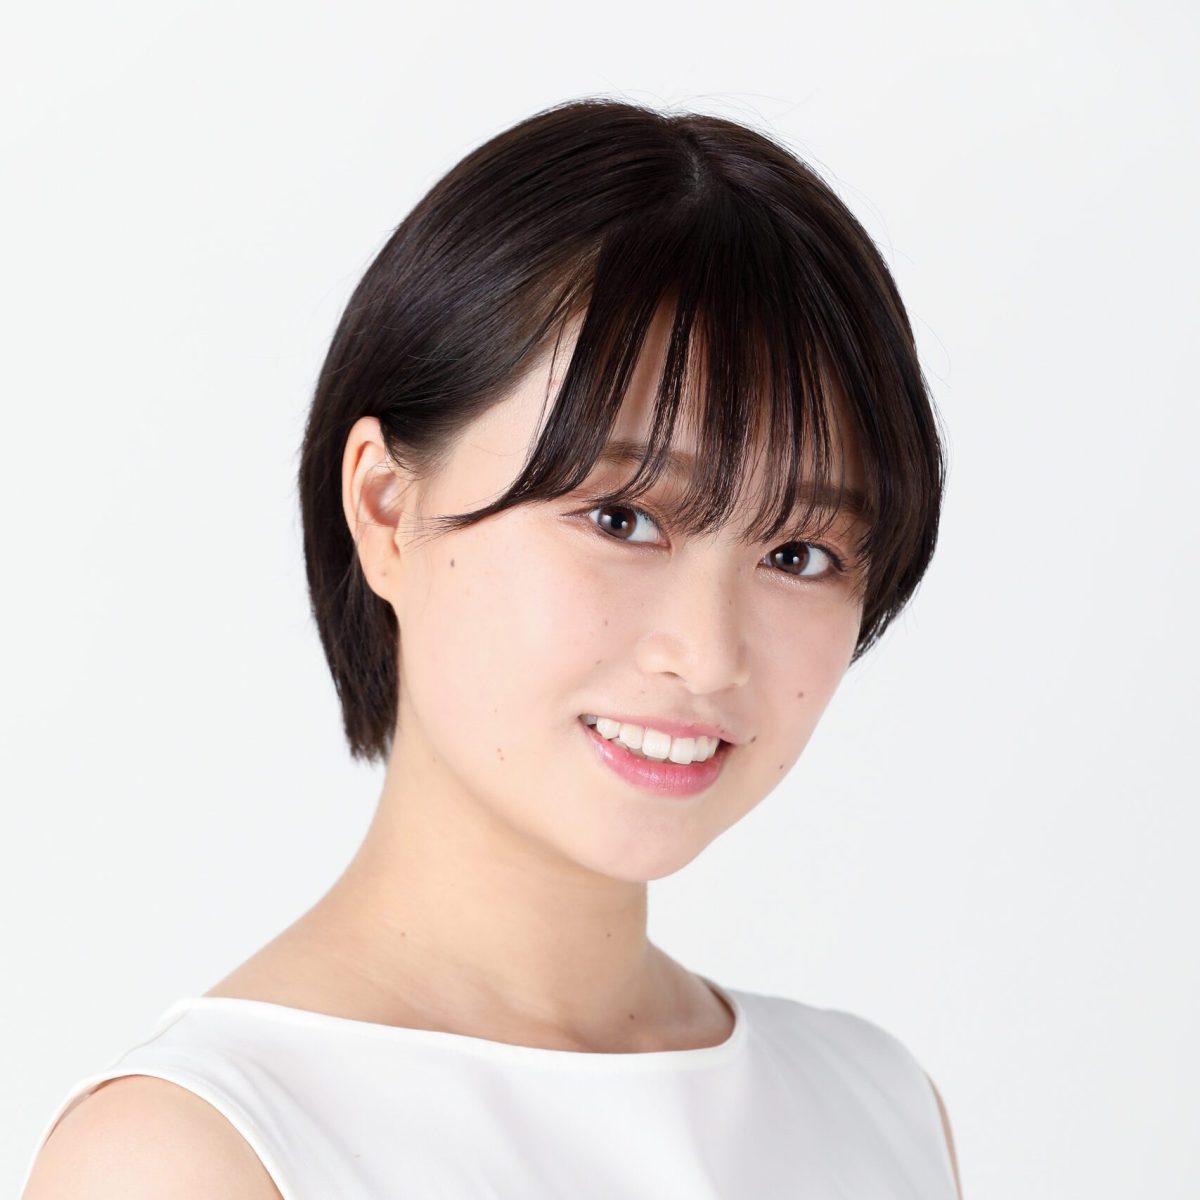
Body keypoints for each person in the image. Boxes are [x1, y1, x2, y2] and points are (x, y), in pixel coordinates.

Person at [21, 97, 962, 1199]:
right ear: (386, 509)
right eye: (622, 518)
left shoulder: (877, 1106)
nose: (707, 655)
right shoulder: (191, 1157)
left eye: (799, 553)